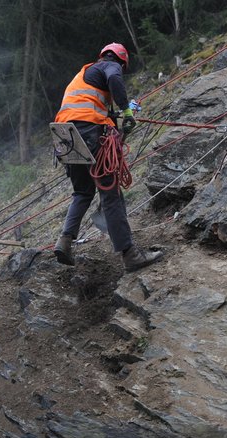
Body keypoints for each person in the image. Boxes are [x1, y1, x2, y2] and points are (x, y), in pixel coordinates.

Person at [52, 43, 162, 273]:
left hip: (64, 136)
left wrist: (119, 112)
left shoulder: (84, 76)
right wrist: (127, 110)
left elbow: (98, 110)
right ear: (121, 61)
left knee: (82, 192)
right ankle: (130, 255)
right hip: (86, 132)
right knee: (110, 194)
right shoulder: (110, 66)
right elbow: (114, 79)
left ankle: (64, 241)